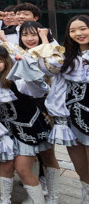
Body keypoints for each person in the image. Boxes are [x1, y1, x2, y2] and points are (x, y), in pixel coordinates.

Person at [0, 44, 59, 204]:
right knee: (5, 166)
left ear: (6, 63)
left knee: (23, 169)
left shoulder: (17, 79)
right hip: (4, 130)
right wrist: (0, 134)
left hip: (29, 127)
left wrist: (27, 67)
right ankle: (5, 200)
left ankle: (45, 199)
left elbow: (39, 89)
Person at [37, 15, 89, 200]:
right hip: (71, 118)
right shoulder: (67, 57)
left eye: (83, 28)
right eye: (73, 30)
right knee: (80, 164)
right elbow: (47, 66)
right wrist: (43, 40)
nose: (78, 33)